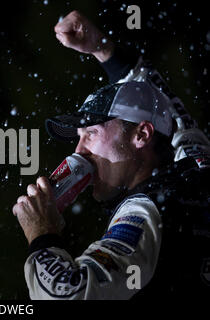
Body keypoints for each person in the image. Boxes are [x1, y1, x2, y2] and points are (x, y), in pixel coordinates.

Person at [12, 10, 210, 300]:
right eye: (78, 138)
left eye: (91, 133)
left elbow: (67, 294)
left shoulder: (146, 211)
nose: (79, 151)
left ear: (141, 135)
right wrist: (103, 49)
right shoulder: (196, 167)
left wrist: (42, 234)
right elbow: (170, 108)